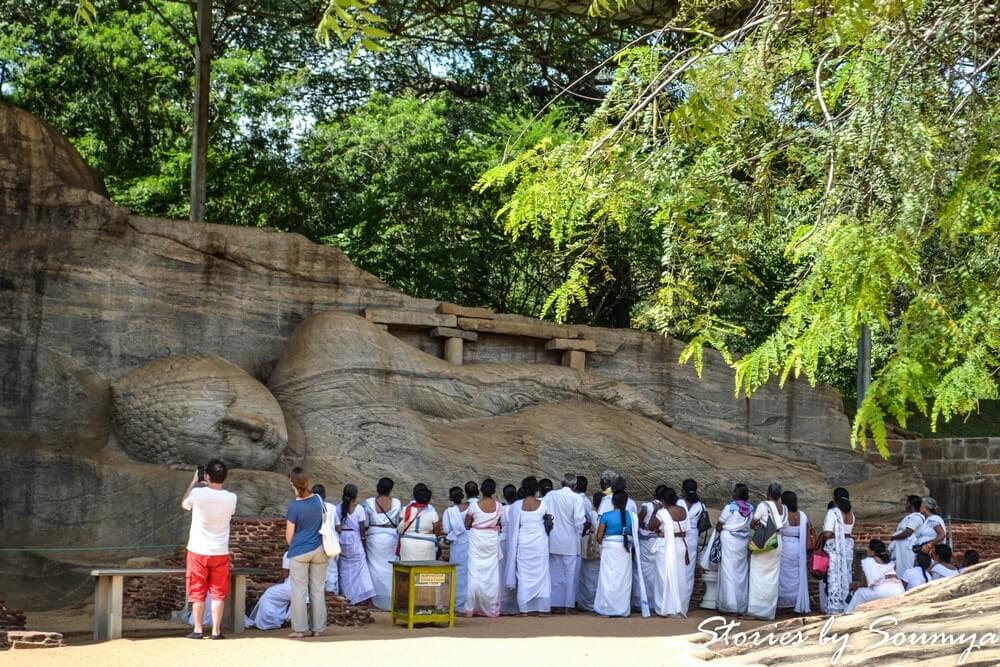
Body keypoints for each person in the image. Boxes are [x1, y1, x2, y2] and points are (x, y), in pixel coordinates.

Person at [181, 459, 238, 640]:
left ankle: (198, 629)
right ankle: (216, 631)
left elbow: (184, 504)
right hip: (220, 551)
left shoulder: (198, 493)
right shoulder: (231, 498)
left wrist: (193, 482)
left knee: (197, 591)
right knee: (218, 593)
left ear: (206, 476)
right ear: (224, 477)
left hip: (198, 550)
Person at [285, 468, 329, 638]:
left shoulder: (294, 506)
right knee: (318, 589)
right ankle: (318, 629)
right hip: (320, 549)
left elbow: (289, 536)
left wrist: (296, 546)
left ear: (292, 483)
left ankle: (300, 629)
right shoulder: (318, 499)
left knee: (299, 591)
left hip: (300, 551)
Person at [594, 490, 648, 617]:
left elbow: (599, 536)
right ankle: (622, 609)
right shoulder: (633, 516)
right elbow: (636, 534)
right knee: (623, 579)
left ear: (613, 502)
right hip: (626, 550)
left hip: (609, 549)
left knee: (608, 579)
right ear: (626, 502)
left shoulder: (606, 516)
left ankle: (607, 609)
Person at [503, 476, 551, 615]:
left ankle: (524, 609)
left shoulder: (517, 505)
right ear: (536, 489)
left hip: (523, 543)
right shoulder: (543, 503)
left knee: (523, 576)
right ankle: (542, 608)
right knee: (541, 574)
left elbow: (512, 527)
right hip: (539, 543)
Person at [545, 473, 587, 612]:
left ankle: (553, 604)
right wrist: (579, 535)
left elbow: (544, 512)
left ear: (561, 483)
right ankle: (568, 606)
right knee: (570, 575)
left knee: (554, 574)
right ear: (575, 485)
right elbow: (579, 521)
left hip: (554, 540)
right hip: (571, 542)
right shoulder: (577, 498)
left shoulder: (551, 495)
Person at [464, 478, 503, 616]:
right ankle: (491, 608)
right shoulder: (499, 506)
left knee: (474, 573)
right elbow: (499, 523)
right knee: (491, 573)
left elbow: (467, 524)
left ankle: (470, 608)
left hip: (477, 539)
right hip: (491, 539)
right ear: (493, 491)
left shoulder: (474, 506)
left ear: (481, 490)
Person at [748, 482, 787, 620]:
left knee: (757, 575)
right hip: (777, 542)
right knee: (772, 578)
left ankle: (756, 611)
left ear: (768, 494)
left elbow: (753, 523)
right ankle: (768, 612)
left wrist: (760, 528)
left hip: (764, 542)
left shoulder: (763, 505)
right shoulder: (785, 508)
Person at [648, 487, 687, 617]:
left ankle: (664, 608)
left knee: (663, 577)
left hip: (666, 546)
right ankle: (679, 606)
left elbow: (651, 526)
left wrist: (655, 511)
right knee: (679, 577)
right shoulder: (683, 510)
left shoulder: (663, 513)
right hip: (680, 545)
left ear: (663, 500)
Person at [362, 477, 399, 610]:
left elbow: (365, 523)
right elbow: (397, 521)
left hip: (374, 536)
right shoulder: (396, 502)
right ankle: (390, 599)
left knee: (374, 568)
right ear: (390, 489)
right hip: (390, 537)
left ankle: (375, 600)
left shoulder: (369, 502)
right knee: (389, 567)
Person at [716, 483, 753, 616]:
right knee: (741, 572)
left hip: (729, 541)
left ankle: (729, 605)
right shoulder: (750, 509)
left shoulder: (730, 507)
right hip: (742, 542)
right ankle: (741, 605)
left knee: (728, 571)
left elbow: (719, 524)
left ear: (735, 494)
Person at [335, 483, 375, 605]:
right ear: (355, 495)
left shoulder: (338, 508)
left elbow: (337, 527)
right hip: (355, 541)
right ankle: (363, 597)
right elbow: (362, 530)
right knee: (361, 570)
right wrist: (364, 545)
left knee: (345, 571)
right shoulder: (359, 509)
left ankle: (348, 597)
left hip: (342, 541)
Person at [818, 488, 855, 614]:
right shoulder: (851, 515)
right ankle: (846, 605)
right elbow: (848, 532)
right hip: (848, 549)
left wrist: (822, 535)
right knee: (846, 576)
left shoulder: (833, 512)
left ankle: (835, 608)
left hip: (835, 550)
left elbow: (828, 533)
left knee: (834, 578)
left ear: (835, 498)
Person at [845, 540, 904, 612]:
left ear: (872, 552)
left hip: (884, 591)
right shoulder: (890, 562)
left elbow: (865, 584)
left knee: (860, 593)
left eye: (868, 548)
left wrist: (855, 585)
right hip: (899, 590)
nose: (867, 549)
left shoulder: (868, 561)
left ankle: (848, 614)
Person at [777, 490, 811, 614]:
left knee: (783, 576)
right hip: (799, 548)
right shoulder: (803, 515)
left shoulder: (783, 515)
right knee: (797, 576)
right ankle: (796, 601)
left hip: (785, 547)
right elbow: (807, 536)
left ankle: (783, 601)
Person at [677, 479, 707, 611]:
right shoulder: (701, 506)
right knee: (688, 573)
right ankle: (684, 605)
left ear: (683, 490)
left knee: (677, 570)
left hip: (679, 536)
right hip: (693, 538)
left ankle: (675, 603)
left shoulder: (679, 502)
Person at [635, 485, 666, 612]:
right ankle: (657, 602)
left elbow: (638, 521)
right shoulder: (667, 508)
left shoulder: (646, 506)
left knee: (642, 571)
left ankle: (641, 602)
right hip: (659, 541)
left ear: (654, 494)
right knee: (658, 571)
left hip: (645, 543)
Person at [244, 552, 293, 630]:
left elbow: (285, 574)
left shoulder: (290, 552)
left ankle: (269, 623)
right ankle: (286, 618)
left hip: (293, 586)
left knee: (269, 593)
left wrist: (276, 584)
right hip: (310, 587)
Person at [443, 486, 471, 613]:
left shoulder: (449, 512)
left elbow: (447, 530)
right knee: (470, 573)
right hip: (470, 542)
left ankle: (458, 605)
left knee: (458, 574)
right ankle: (469, 604)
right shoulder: (470, 508)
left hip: (457, 544)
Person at [576, 480, 601, 612]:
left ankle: (586, 603)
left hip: (588, 547)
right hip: (600, 549)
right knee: (597, 577)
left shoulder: (591, 513)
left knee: (586, 577)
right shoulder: (602, 514)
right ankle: (596, 602)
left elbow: (584, 523)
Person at [398, 484, 439, 560]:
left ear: (415, 497)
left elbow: (400, 526)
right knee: (425, 569)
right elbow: (437, 531)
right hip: (427, 545)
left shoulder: (405, 509)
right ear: (429, 500)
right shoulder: (433, 513)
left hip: (407, 544)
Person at [311, 485, 339, 594]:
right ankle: (331, 593)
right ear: (325, 496)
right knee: (331, 569)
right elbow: (338, 526)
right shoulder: (332, 507)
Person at [889, 495, 924, 576]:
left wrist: (893, 537)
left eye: (906, 503)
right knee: (897, 568)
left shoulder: (917, 517)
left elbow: (908, 532)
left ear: (910, 504)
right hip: (901, 547)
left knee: (904, 569)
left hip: (907, 548)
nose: (905, 505)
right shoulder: (910, 517)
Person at [499, 484, 520, 615]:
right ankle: (514, 603)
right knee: (515, 569)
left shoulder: (502, 509)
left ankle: (503, 603)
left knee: (502, 572)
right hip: (514, 540)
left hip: (502, 540)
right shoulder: (518, 508)